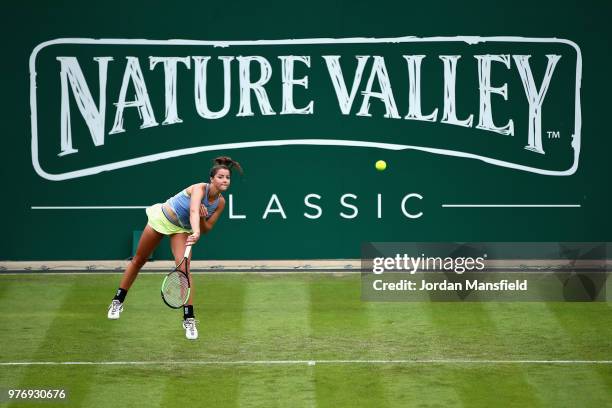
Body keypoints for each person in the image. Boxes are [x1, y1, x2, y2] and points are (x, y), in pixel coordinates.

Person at [107, 156, 243, 340]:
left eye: (227, 177)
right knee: (139, 260)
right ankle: (118, 300)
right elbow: (194, 210)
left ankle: (189, 319)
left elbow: (207, 228)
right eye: (220, 177)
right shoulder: (199, 188)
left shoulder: (220, 203)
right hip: (164, 218)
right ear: (212, 179)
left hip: (182, 230)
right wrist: (196, 231)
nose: (225, 180)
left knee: (184, 271)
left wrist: (201, 222)